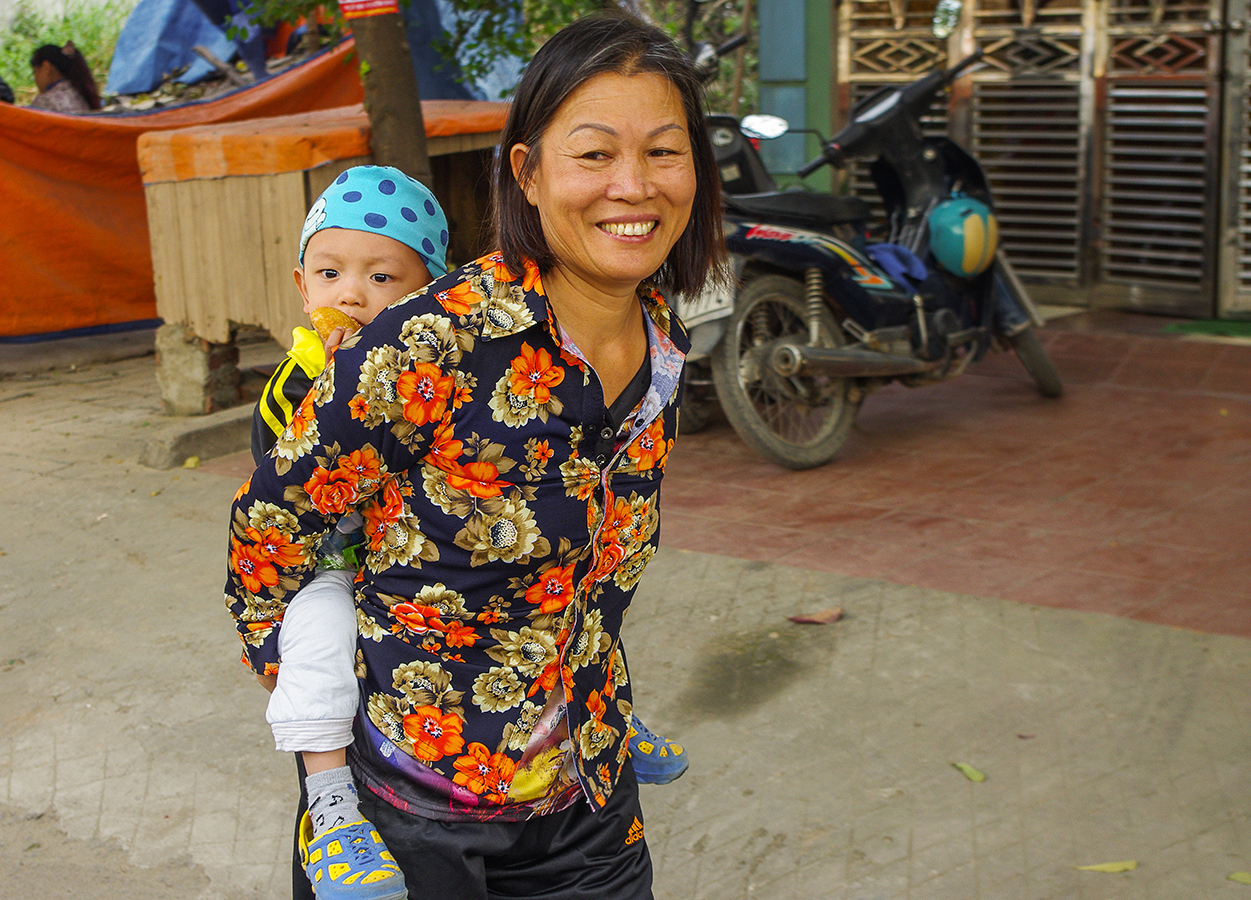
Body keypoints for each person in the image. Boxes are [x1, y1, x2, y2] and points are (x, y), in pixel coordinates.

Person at [226, 12, 723, 899]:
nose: (634, 186)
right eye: (595, 154)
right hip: (416, 818)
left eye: (664, 152)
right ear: (526, 173)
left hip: (587, 797)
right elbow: (271, 536)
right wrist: (329, 709)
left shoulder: (663, 337)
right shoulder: (429, 344)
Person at [28, 42, 101, 113]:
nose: (35, 79)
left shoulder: (44, 102)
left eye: (35, 72)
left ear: (46, 67)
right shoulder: (81, 94)